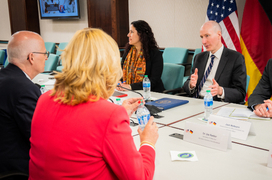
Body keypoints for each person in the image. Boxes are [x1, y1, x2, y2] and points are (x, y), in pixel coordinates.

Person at [28, 28, 159, 179]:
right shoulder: (108, 116)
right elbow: (140, 177)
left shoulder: (44, 99)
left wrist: (118, 114)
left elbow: (79, 130)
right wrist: (148, 143)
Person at [0, 31, 48, 174]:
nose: (46, 58)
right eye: (44, 53)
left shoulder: (5, 78)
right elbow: (39, 137)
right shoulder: (23, 89)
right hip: (17, 168)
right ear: (31, 57)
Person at [183, 21, 246, 103]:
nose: (203, 41)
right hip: (195, 102)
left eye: (207, 36)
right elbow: (186, 85)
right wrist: (191, 85)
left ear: (219, 35)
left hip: (216, 104)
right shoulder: (199, 57)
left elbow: (240, 93)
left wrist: (221, 91)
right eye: (202, 37)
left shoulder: (235, 58)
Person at [117, 20, 165, 92]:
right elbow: (120, 73)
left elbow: (153, 81)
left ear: (141, 34)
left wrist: (130, 86)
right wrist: (119, 82)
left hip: (151, 93)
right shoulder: (128, 52)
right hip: (129, 92)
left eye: (132, 32)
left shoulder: (155, 54)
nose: (128, 35)